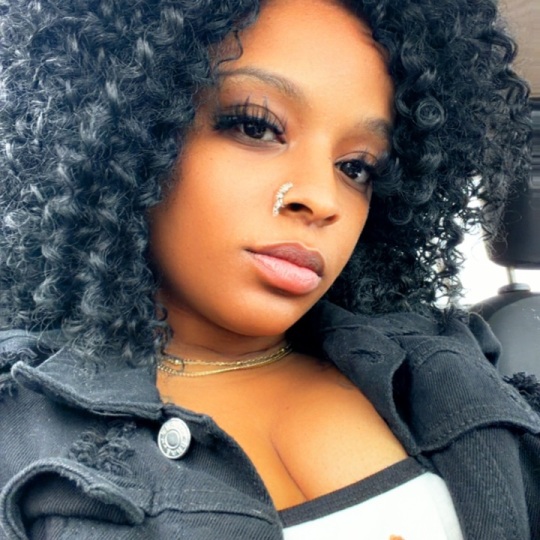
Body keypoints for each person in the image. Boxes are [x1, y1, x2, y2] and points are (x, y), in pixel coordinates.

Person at [0, 0, 538, 538]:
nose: (322, 199)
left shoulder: (441, 360)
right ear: (127, 132)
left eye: (355, 167)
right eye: (255, 127)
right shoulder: (20, 423)